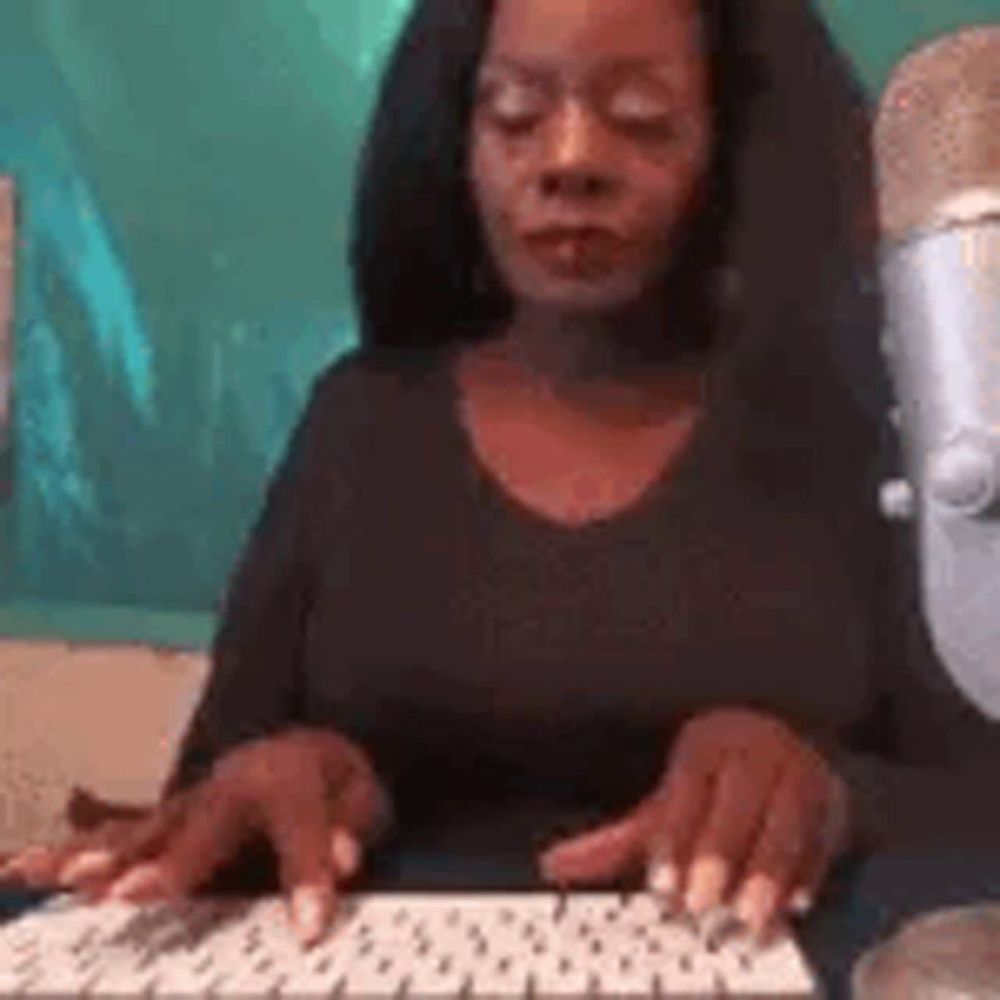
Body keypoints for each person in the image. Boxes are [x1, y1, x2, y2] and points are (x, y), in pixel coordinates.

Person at [4, 0, 1000, 966]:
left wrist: (828, 792)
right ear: (455, 143)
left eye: (641, 119)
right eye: (514, 114)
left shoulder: (857, 432)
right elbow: (219, 783)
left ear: (732, 142)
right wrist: (282, 779)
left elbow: (977, 798)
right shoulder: (361, 422)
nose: (568, 161)